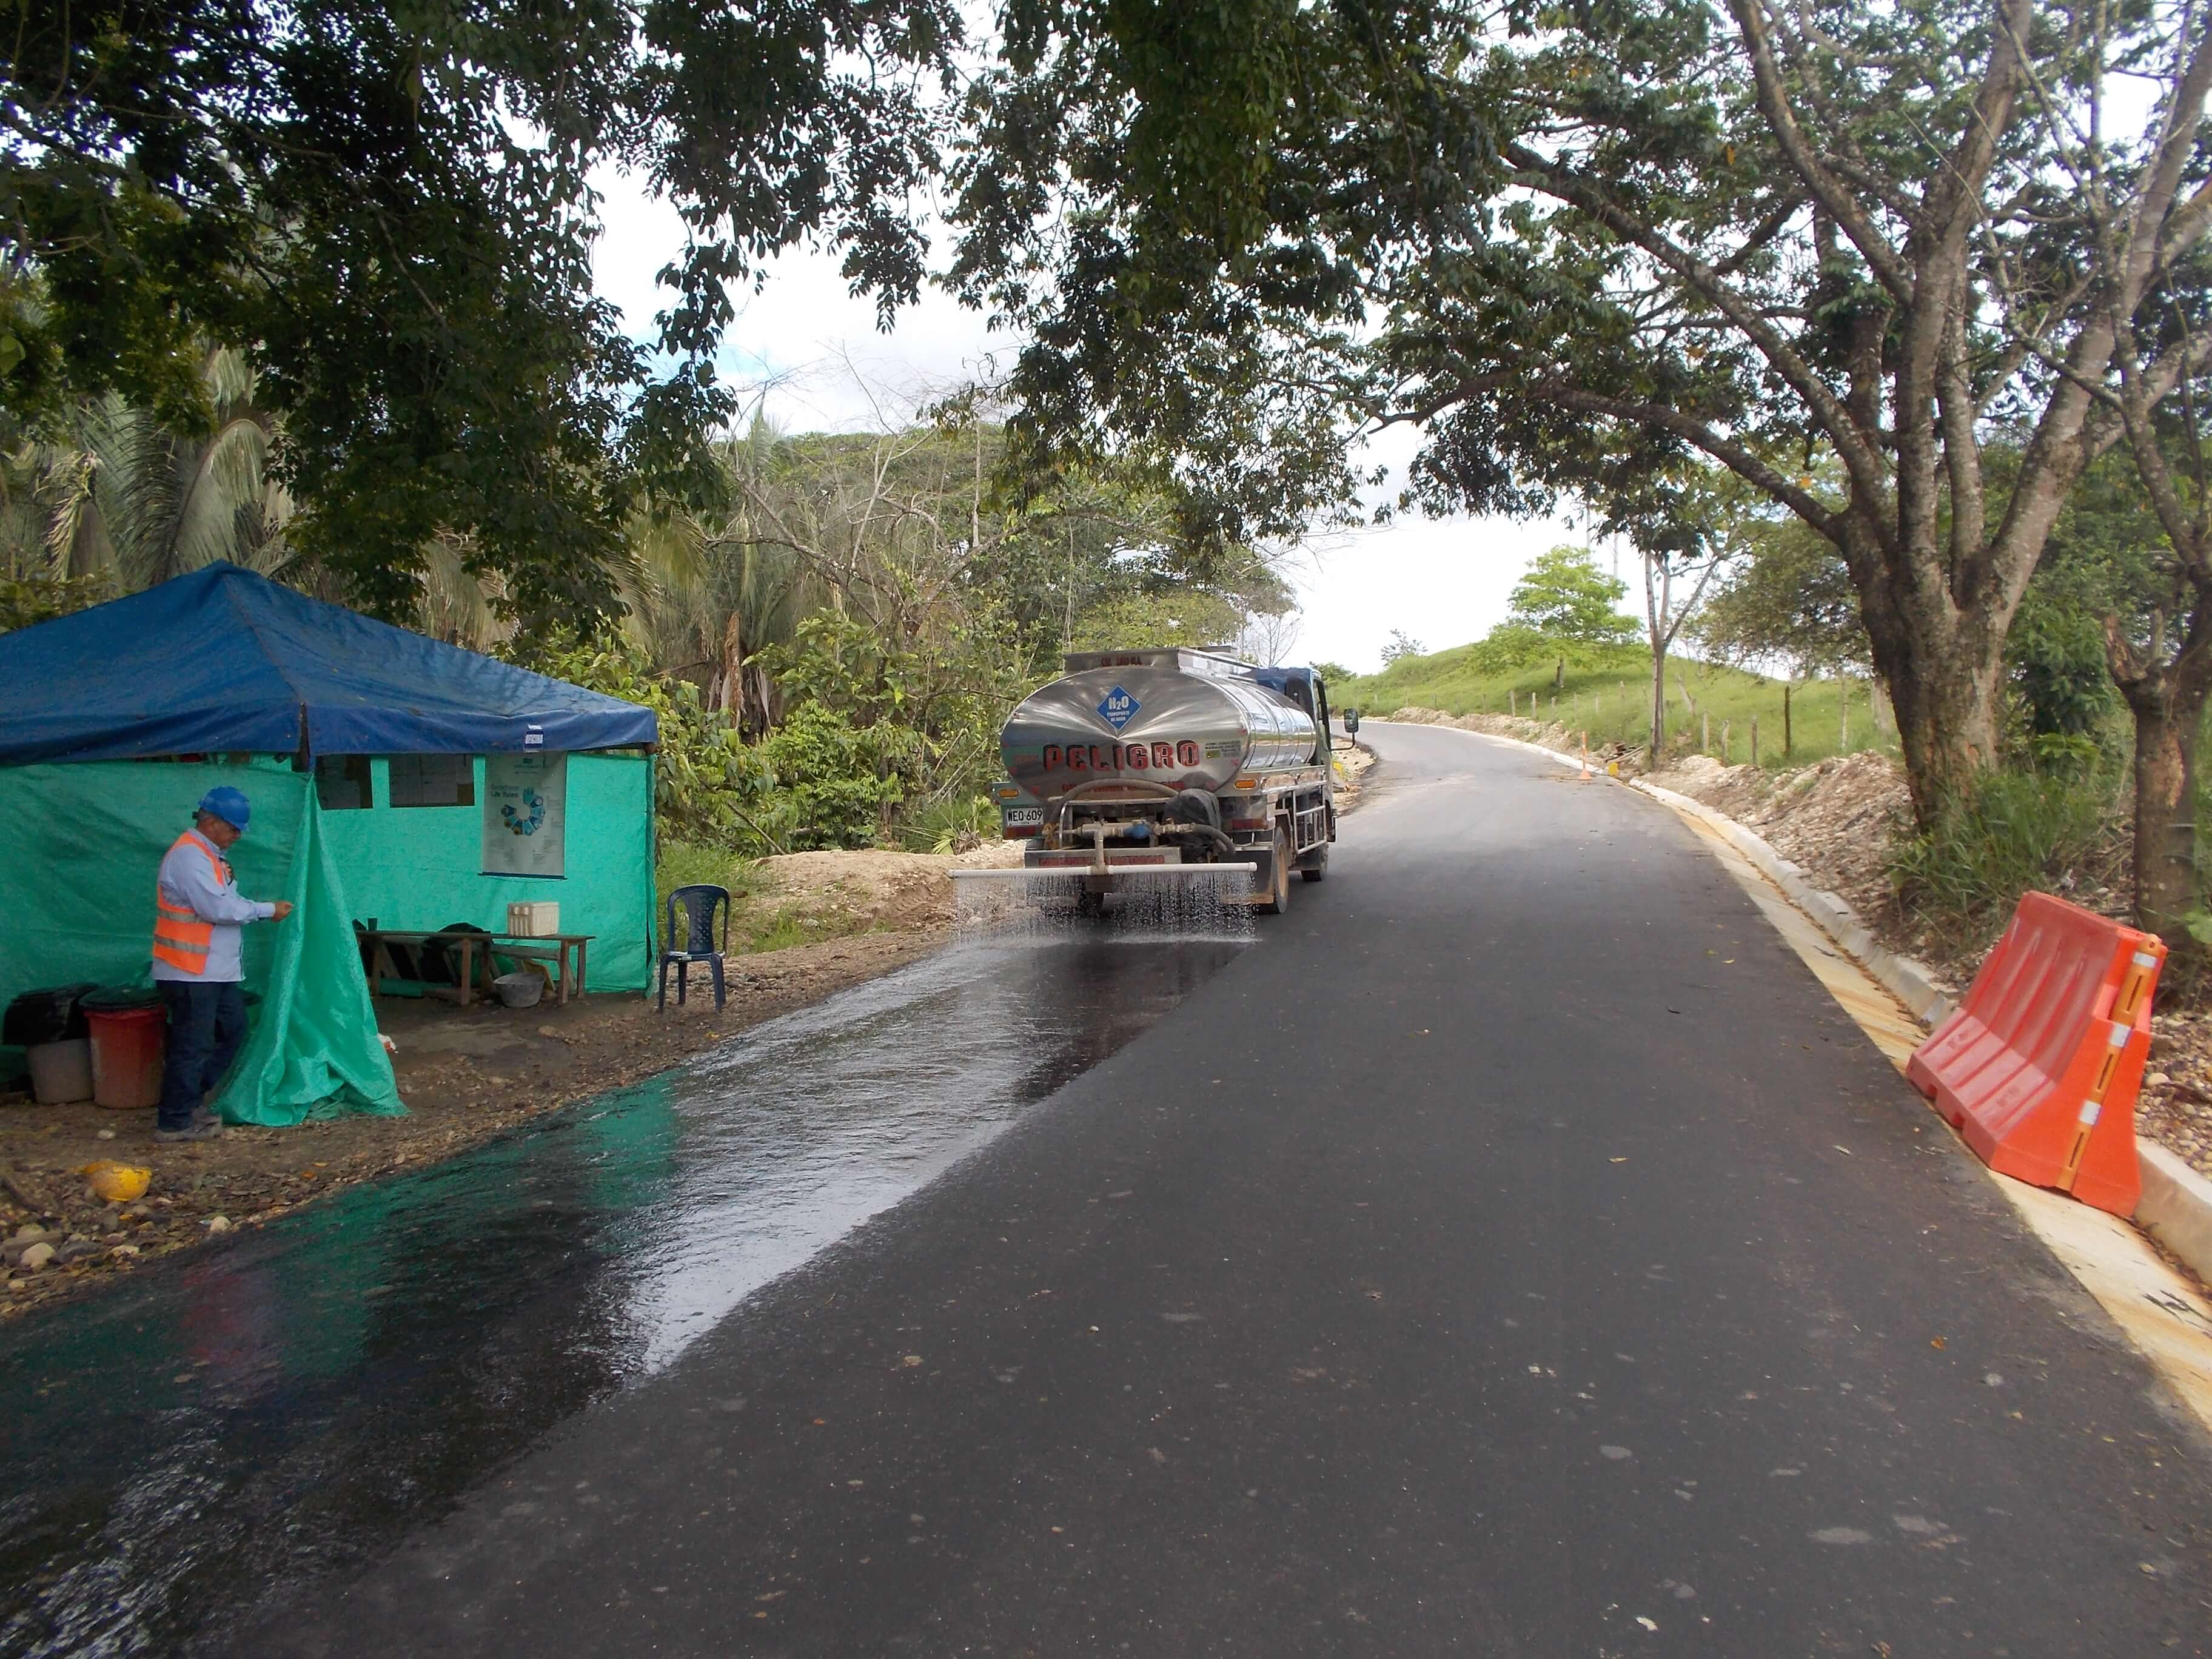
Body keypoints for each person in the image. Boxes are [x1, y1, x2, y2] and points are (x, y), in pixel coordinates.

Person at [150, 786, 293, 1142]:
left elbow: (227, 900)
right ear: (211, 822)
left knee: (232, 1031)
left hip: (210, 972)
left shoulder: (208, 856)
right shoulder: (189, 858)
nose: (238, 836)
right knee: (193, 1044)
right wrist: (266, 910)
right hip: (189, 972)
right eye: (233, 828)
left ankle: (190, 1101)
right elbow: (218, 909)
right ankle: (175, 1120)